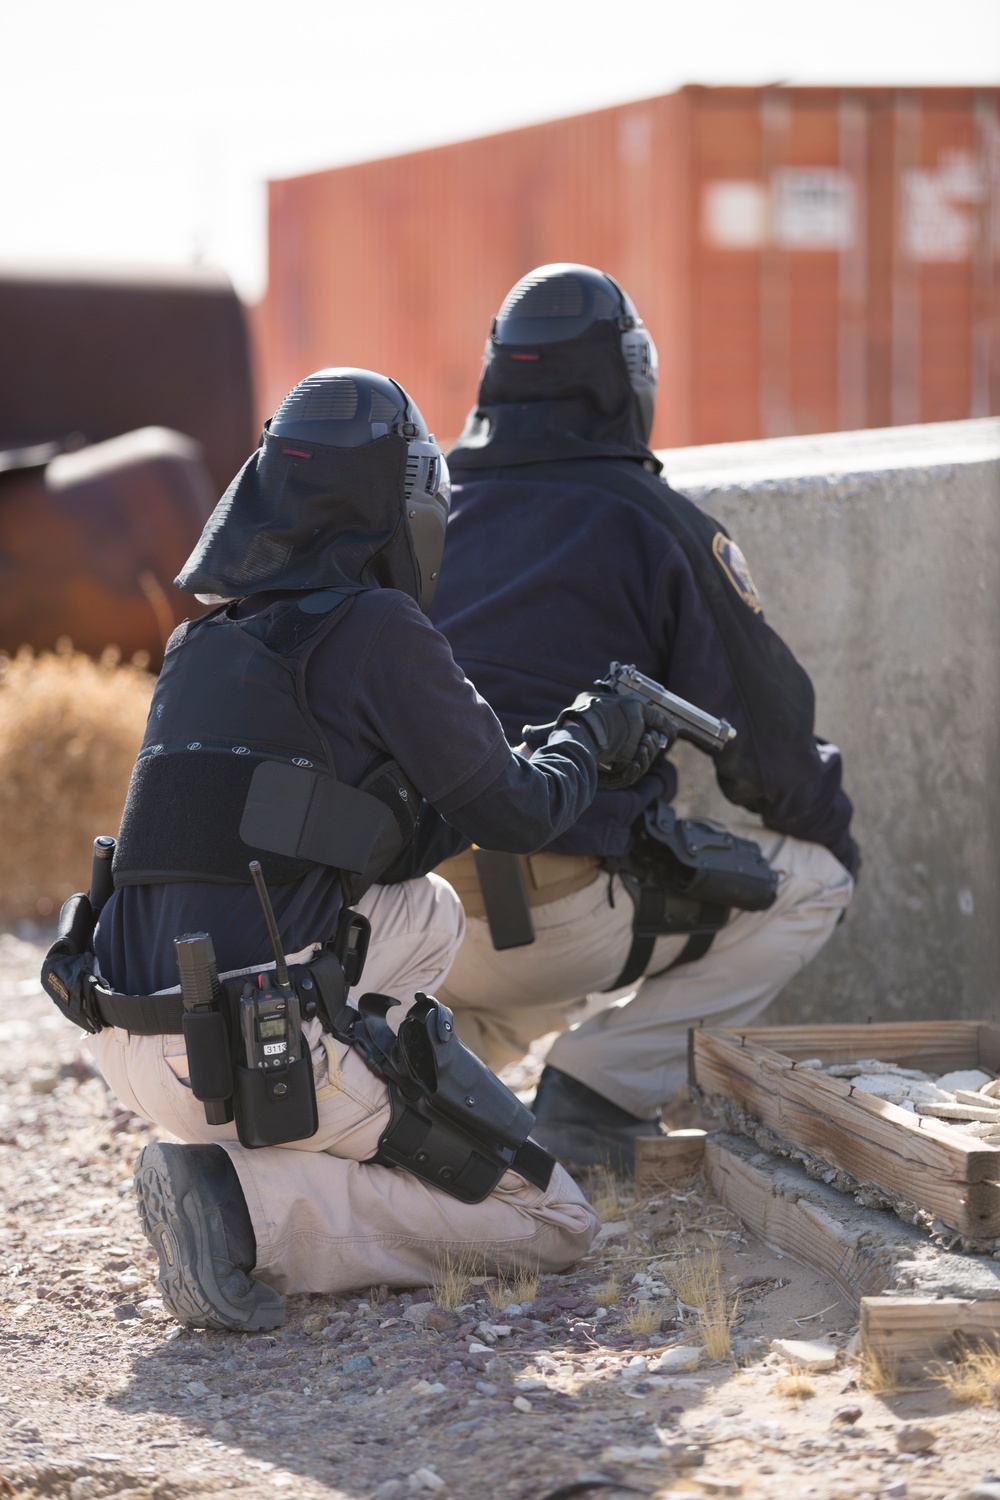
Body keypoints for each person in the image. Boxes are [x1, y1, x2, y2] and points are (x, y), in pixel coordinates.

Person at [41, 367, 673, 1331]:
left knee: (426, 908)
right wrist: (597, 736)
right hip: (252, 1052)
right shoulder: (380, 626)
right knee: (550, 1220)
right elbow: (518, 815)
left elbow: (344, 836)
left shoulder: (199, 645)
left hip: (135, 1041)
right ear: (398, 508)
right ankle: (243, 1211)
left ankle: (327, 1124)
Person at [429, 264, 860, 1171]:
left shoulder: (420, 521)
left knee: (502, 967)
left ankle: (424, 1094)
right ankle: (594, 1095)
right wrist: (831, 840)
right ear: (628, 378)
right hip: (562, 915)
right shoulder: (660, 525)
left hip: (405, 915)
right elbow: (770, 747)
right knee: (816, 880)